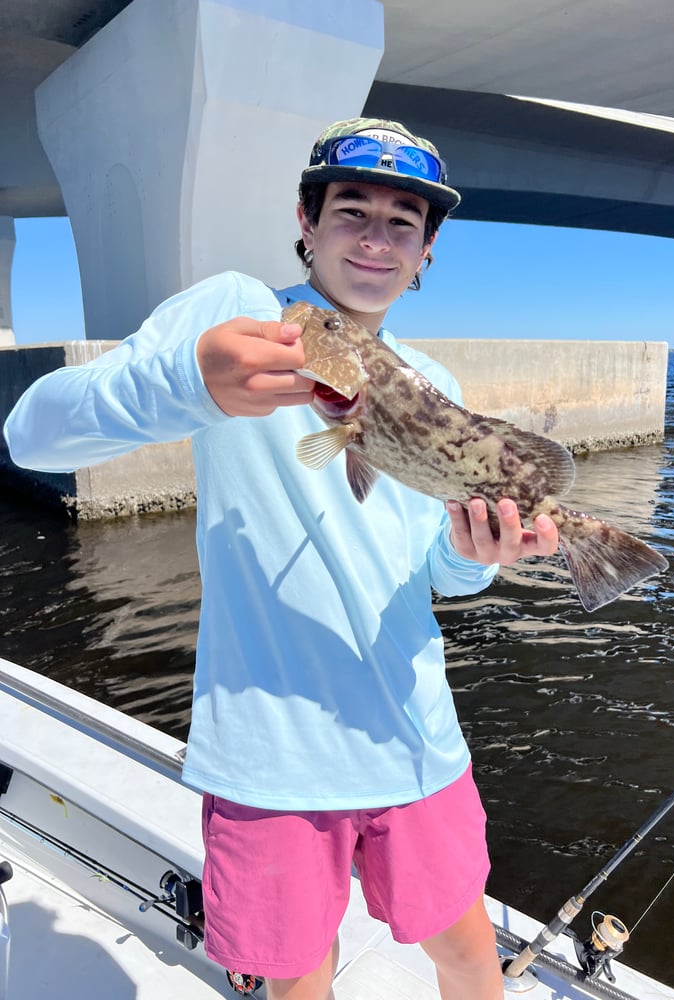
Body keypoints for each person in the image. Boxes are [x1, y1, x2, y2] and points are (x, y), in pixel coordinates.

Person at [4, 117, 559, 1000]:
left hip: (417, 743)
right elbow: (31, 433)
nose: (375, 238)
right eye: (351, 210)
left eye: (401, 223)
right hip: (269, 757)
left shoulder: (431, 388)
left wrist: (473, 556)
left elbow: (436, 574)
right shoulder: (239, 313)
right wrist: (186, 380)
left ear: (426, 252)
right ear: (306, 220)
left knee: (467, 957)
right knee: (298, 985)